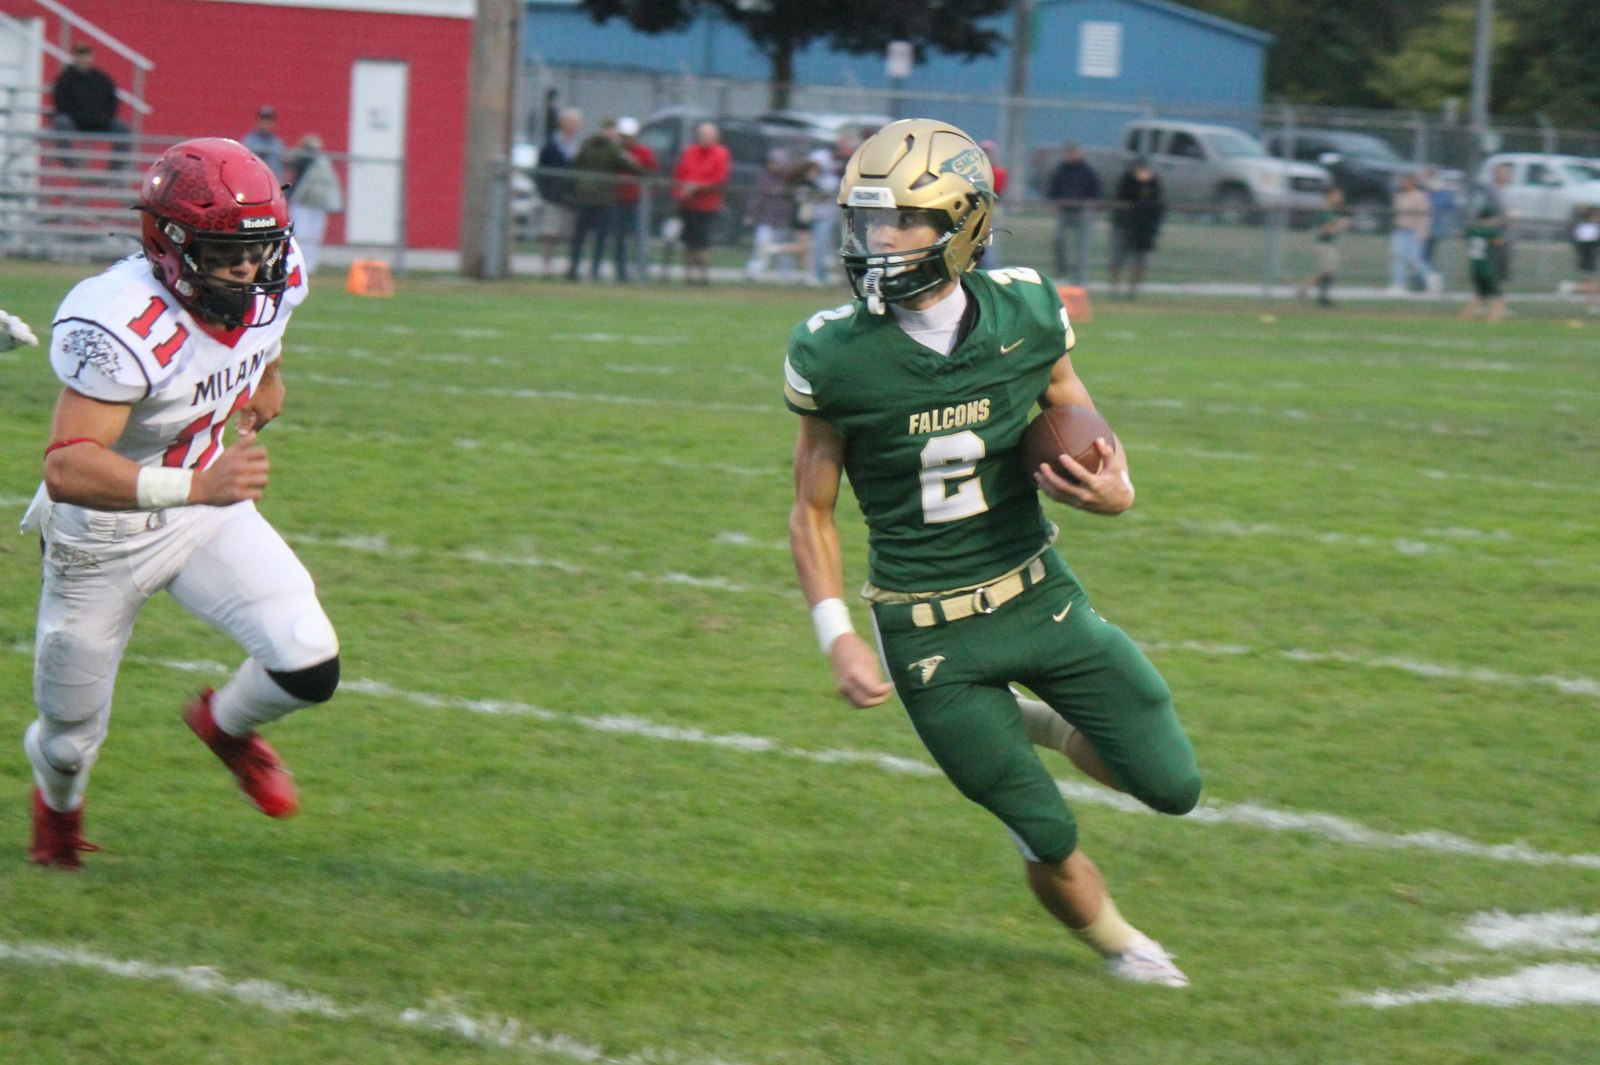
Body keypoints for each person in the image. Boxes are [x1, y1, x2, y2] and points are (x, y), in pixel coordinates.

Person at [784, 119, 1202, 989]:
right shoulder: (834, 350)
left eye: (902, 221)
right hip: (928, 633)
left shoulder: (1026, 307)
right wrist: (838, 636)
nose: (878, 243)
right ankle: (1124, 944)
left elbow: (1080, 416)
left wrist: (1118, 489)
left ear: (963, 223)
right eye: (867, 223)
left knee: (1171, 782)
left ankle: (1038, 721)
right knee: (1044, 830)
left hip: (1039, 594)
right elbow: (812, 509)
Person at [21, 138, 340, 870]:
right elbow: (69, 467)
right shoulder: (124, 318)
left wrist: (268, 378)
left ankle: (225, 727)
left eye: (258, 247)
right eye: (227, 250)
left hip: (203, 508)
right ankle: (58, 815)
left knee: (308, 660)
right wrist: (198, 486)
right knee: (68, 740)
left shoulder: (273, 274)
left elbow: (265, 330)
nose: (248, 267)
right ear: (170, 244)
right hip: (101, 535)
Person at [567, 118, 641, 282]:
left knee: (582, 235)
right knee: (596, 237)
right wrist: (643, 170)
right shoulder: (612, 149)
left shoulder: (587, 144)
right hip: (603, 200)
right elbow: (631, 167)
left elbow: (575, 164)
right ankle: (590, 270)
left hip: (587, 197)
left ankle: (575, 269)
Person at [49, 42, 132, 171]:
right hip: (74, 122)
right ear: (74, 57)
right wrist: (82, 116)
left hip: (100, 122)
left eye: (86, 55)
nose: (83, 59)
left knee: (122, 129)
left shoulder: (101, 79)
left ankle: (114, 171)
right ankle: (71, 165)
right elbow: (60, 104)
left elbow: (112, 102)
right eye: (80, 56)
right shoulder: (65, 79)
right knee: (61, 122)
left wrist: (101, 118)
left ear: (91, 57)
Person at [670, 122, 731, 285]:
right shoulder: (690, 152)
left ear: (715, 137)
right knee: (688, 242)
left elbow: (720, 179)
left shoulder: (720, 153)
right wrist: (680, 193)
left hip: (707, 206)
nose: (703, 138)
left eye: (707, 135)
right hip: (687, 205)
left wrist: (697, 187)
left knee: (701, 243)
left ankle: (704, 278)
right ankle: (688, 277)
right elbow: (679, 174)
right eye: (701, 134)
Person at [284, 134, 343, 274]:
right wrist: (301, 147)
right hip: (301, 201)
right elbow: (288, 162)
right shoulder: (301, 159)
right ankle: (296, 263)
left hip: (317, 203)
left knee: (314, 234)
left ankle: (310, 265)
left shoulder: (321, 162)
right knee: (301, 233)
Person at [536, 108, 583, 277]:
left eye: (576, 123)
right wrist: (546, 190)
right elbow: (541, 169)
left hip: (570, 199)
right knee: (550, 232)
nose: (573, 126)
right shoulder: (551, 145)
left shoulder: (578, 147)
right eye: (570, 123)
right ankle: (546, 267)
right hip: (553, 196)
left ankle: (569, 267)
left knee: (570, 234)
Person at [1046, 142, 1102, 285]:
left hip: (1082, 213)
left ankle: (1079, 276)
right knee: (1059, 241)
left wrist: (1093, 206)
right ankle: (1061, 270)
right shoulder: (1061, 170)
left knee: (1081, 246)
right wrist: (1053, 202)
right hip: (1064, 211)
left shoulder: (1086, 171)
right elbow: (1053, 188)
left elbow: (1096, 189)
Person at [1107, 159, 1163, 298]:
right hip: (1123, 225)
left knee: (1139, 260)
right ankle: (1115, 289)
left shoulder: (1153, 182)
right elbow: (1121, 198)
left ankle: (1132, 290)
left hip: (1143, 229)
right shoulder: (1127, 180)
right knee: (1117, 258)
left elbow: (1157, 202)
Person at [612, 116, 657, 283]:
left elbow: (651, 172)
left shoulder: (643, 152)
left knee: (639, 238)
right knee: (619, 238)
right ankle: (621, 272)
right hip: (619, 200)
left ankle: (642, 272)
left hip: (638, 202)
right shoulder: (615, 151)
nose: (627, 140)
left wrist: (634, 164)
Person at [744, 149, 799, 283]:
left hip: (784, 220)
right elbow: (757, 198)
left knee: (784, 250)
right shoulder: (764, 177)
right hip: (766, 218)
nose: (773, 166)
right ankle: (753, 272)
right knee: (761, 246)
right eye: (771, 162)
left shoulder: (790, 179)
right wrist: (750, 213)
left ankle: (786, 277)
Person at [1295, 186, 1350, 307]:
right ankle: (1304, 288)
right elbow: (1327, 231)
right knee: (1326, 271)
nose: (1340, 197)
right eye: (1337, 194)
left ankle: (1323, 296)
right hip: (1324, 244)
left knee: (1329, 271)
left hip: (1329, 244)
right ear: (1330, 195)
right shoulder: (1326, 209)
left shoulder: (1331, 209)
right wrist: (1342, 224)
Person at [1387, 173, 1438, 295]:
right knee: (1398, 257)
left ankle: (1432, 278)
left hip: (1413, 231)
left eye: (1407, 181)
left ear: (1413, 182)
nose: (1404, 184)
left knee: (1415, 259)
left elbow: (1425, 217)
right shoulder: (1400, 196)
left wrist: (1421, 233)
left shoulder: (1420, 196)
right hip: (1401, 230)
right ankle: (1397, 284)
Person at [1458, 205, 1507, 323]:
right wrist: (1503, 228)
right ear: (1490, 218)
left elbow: (1463, 234)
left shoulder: (1473, 229)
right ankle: (1492, 322)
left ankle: (1463, 320)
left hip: (1474, 266)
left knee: (1479, 296)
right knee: (1499, 298)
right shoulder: (1491, 231)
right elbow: (1500, 243)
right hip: (1485, 267)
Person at [1420, 167, 1458, 282]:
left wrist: (1455, 227)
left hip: (1436, 229)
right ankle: (1426, 279)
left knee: (1423, 256)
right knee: (1423, 256)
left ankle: (1432, 277)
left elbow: (1453, 209)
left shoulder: (1442, 193)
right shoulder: (1424, 191)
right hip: (1423, 228)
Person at [979, 139, 1009, 263]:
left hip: (993, 208)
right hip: (977, 208)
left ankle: (988, 267)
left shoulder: (999, 172)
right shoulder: (977, 172)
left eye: (988, 152)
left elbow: (997, 189)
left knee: (990, 241)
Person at [241, 106, 286, 179]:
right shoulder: (249, 140)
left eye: (269, 121)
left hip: (274, 182)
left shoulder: (277, 142)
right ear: (257, 122)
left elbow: (285, 161)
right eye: (263, 120)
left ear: (273, 123)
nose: (266, 124)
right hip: (254, 180)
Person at [1570, 206, 1600, 316]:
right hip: (1587, 259)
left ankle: (1590, 304)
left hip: (1589, 258)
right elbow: (1586, 244)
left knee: (1589, 283)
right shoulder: (1588, 227)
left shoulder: (1592, 226)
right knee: (1592, 285)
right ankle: (1570, 289)